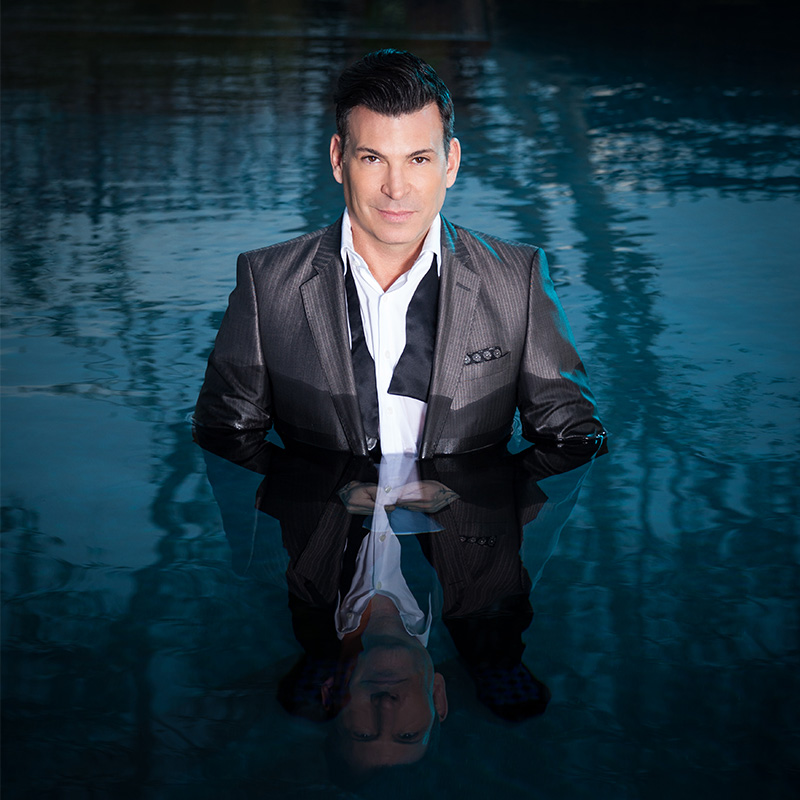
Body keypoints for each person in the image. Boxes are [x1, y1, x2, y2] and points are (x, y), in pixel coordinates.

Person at [194, 49, 604, 458]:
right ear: (338, 159)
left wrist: (473, 491)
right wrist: (326, 491)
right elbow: (224, 439)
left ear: (450, 163)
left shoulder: (517, 278)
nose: (396, 188)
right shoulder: (266, 282)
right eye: (373, 158)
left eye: (418, 159)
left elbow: (574, 440)